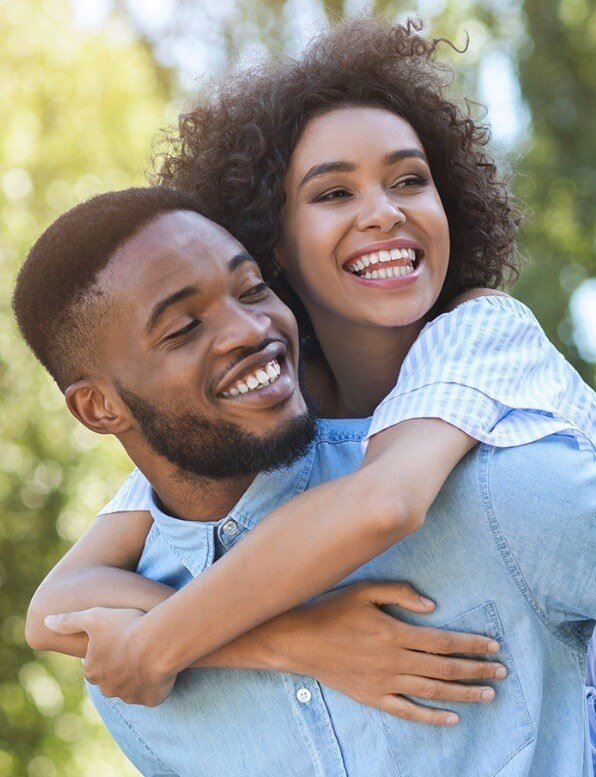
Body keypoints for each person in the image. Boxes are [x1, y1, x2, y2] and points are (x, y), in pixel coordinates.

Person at [21, 17, 595, 776]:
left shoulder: (480, 331)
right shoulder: (274, 402)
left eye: (410, 180)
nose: (383, 212)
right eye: (333, 192)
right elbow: (55, 607)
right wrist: (294, 639)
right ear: (274, 243)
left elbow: (383, 502)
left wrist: (156, 646)